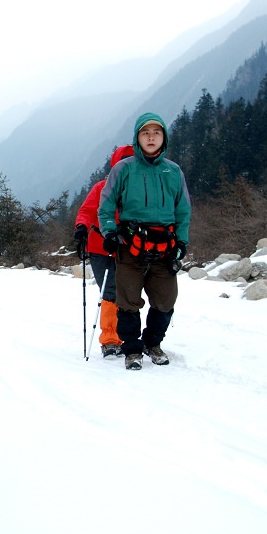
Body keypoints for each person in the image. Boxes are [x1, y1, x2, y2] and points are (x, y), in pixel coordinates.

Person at [97, 113, 192, 371]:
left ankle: (152, 343)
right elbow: (105, 206)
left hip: (165, 248)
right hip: (130, 247)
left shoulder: (173, 171)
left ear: (164, 138)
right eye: (145, 133)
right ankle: (132, 350)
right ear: (137, 138)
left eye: (156, 133)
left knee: (165, 300)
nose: (151, 138)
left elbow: (183, 210)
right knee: (128, 301)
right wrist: (109, 233)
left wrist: (181, 243)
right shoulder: (124, 169)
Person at [74, 145, 135, 358]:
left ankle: (127, 336)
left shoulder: (139, 190)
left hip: (128, 248)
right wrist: (81, 227)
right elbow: (87, 211)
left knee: (127, 292)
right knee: (110, 292)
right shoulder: (101, 188)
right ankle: (110, 338)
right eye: (123, 162)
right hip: (100, 248)